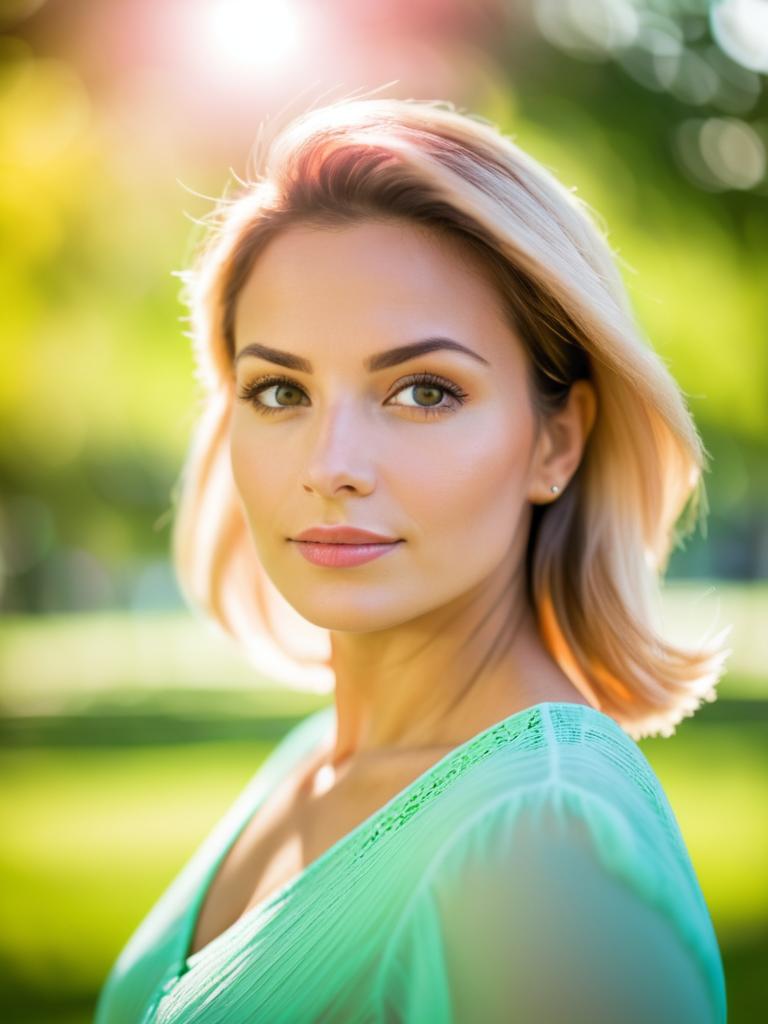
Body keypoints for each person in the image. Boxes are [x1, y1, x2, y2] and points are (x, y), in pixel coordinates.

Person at [94, 97, 731, 1024]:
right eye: (280, 390)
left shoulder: (545, 849)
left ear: (557, 441)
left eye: (424, 391)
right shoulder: (311, 761)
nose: (330, 466)